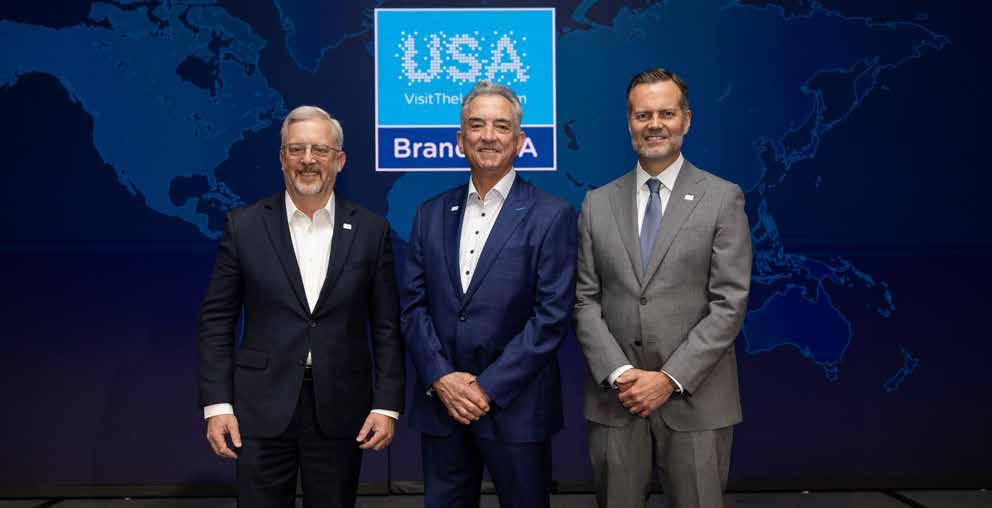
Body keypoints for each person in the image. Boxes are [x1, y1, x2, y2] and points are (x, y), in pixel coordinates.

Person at [197, 105, 405, 507]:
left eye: (320, 150)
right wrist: (217, 405)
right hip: (259, 407)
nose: (308, 160)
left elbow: (386, 326)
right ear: (282, 158)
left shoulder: (370, 230)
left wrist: (387, 405)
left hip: (342, 407)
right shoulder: (244, 225)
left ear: (339, 160)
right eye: (296, 149)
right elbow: (216, 322)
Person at [573, 68, 752, 508]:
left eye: (666, 114)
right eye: (643, 115)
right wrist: (621, 373)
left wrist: (669, 379)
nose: (654, 124)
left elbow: (729, 304)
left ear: (686, 120)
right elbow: (585, 301)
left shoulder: (722, 198)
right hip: (618, 400)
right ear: (629, 122)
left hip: (697, 402)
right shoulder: (597, 203)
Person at [401, 80, 576, 508]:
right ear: (460, 140)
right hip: (443, 407)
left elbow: (551, 317)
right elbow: (412, 307)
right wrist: (442, 378)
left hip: (517, 409)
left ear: (520, 140)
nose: (488, 136)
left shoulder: (552, 215)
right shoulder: (429, 214)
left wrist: (487, 388)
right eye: (476, 125)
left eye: (501, 126)